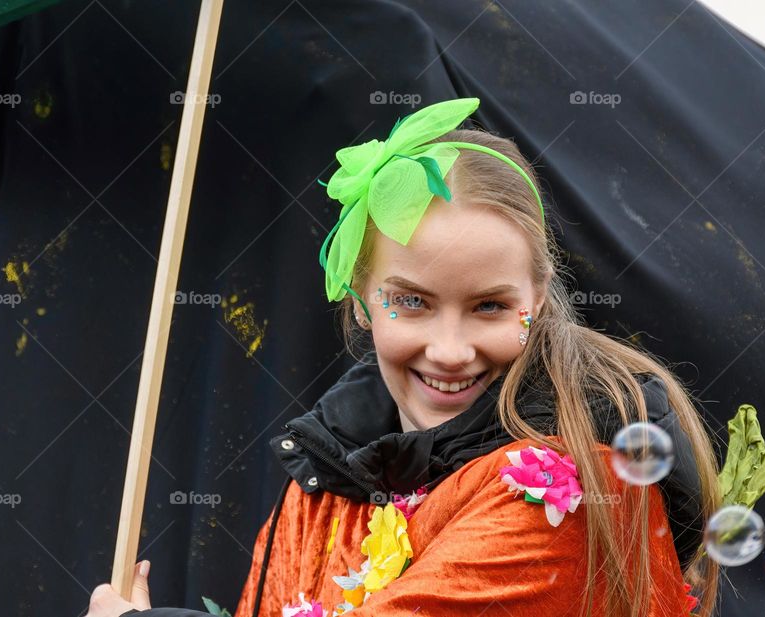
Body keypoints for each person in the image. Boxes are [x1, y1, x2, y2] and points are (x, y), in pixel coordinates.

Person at [86, 97, 720, 617]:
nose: (449, 350)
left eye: (490, 307)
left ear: (539, 297)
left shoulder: (573, 482)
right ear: (363, 301)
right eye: (412, 302)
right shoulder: (322, 479)